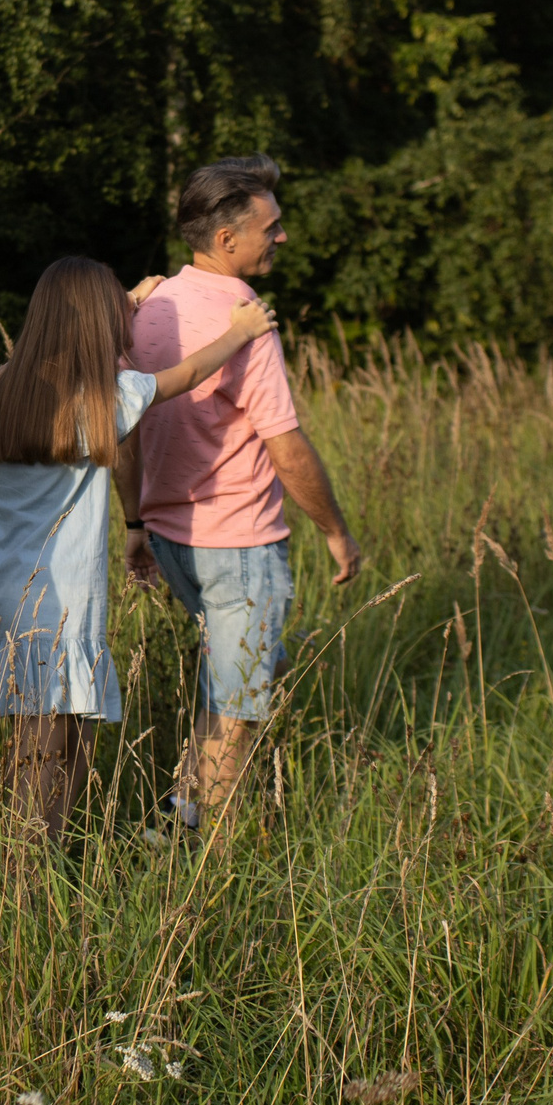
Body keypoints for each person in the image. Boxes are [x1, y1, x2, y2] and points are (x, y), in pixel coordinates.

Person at [0, 256, 275, 839]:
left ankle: (42, 857)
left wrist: (128, 295)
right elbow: (185, 376)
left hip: (7, 591)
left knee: (47, 740)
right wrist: (239, 332)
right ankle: (28, 868)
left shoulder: (7, 397)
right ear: (101, 324)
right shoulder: (107, 397)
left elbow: (61, 353)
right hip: (62, 599)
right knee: (51, 748)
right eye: (120, 309)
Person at [121, 155, 364, 827]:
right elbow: (285, 444)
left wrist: (135, 522)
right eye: (271, 227)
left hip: (172, 539)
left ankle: (178, 816)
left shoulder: (149, 303)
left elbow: (125, 426)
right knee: (238, 710)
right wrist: (337, 530)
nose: (281, 237)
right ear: (226, 241)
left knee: (234, 675)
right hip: (238, 541)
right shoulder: (243, 317)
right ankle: (211, 872)